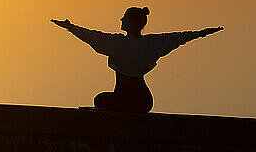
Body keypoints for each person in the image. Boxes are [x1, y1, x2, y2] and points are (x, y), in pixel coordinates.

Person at [51, 7, 223, 113]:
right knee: (102, 101)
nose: (121, 20)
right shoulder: (151, 43)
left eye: (124, 17)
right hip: (144, 101)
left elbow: (92, 37)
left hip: (125, 99)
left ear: (131, 22)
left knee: (100, 100)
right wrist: (201, 33)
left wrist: (70, 27)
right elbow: (178, 38)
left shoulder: (118, 44)